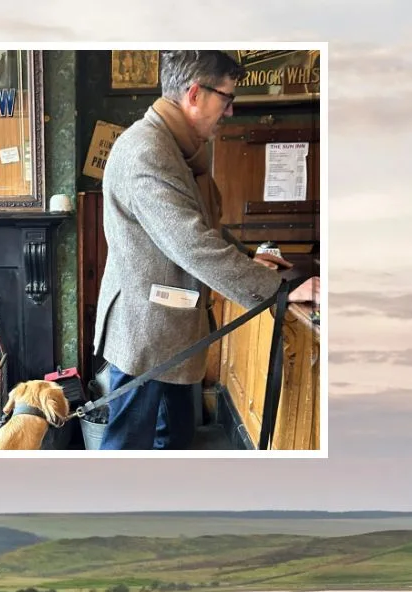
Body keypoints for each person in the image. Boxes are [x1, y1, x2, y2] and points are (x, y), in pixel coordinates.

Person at [91, 50, 318, 449]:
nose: (229, 112)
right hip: (147, 331)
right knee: (127, 451)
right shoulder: (148, 151)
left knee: (176, 442)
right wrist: (277, 288)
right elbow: (192, 244)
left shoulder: (176, 146)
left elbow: (198, 225)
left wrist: (248, 258)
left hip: (171, 326)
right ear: (195, 94)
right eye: (226, 98)